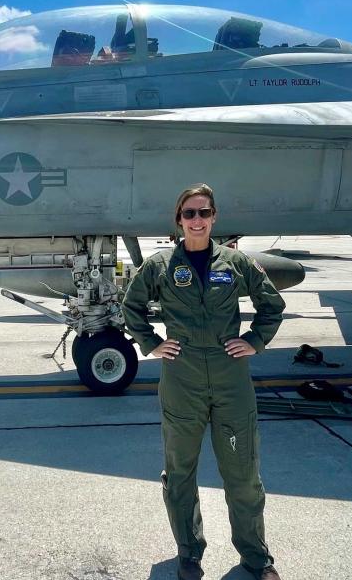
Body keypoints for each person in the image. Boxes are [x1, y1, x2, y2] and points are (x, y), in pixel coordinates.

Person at [122, 184, 286, 580]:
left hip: (231, 379)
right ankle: (189, 553)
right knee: (180, 474)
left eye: (204, 212)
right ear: (179, 220)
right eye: (190, 213)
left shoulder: (236, 263)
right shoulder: (160, 266)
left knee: (243, 475)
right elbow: (132, 307)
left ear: (214, 218)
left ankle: (256, 558)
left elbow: (272, 306)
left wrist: (254, 342)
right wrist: (152, 344)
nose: (197, 220)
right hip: (182, 377)